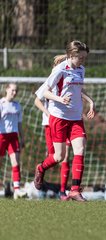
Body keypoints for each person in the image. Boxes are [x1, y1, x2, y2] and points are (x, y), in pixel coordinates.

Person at [33, 40, 95, 202]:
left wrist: (90, 101)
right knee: (59, 156)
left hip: (76, 118)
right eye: (80, 58)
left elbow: (78, 89)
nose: (83, 61)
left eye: (84, 58)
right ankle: (41, 167)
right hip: (58, 117)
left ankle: (74, 190)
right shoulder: (60, 69)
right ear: (71, 55)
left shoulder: (81, 69)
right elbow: (44, 93)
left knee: (80, 149)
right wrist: (60, 99)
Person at [34, 81, 72, 201]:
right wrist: (48, 113)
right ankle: (41, 168)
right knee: (55, 157)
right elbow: (36, 101)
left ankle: (62, 192)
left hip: (66, 123)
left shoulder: (69, 83)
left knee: (65, 157)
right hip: (50, 125)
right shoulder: (50, 83)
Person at [0, 83, 27, 199]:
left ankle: (16, 190)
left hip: (13, 137)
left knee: (15, 162)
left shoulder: (17, 106)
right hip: (1, 136)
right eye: (12, 90)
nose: (14, 93)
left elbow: (20, 124)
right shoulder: (1, 104)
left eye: (16, 91)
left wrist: (22, 138)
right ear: (6, 89)